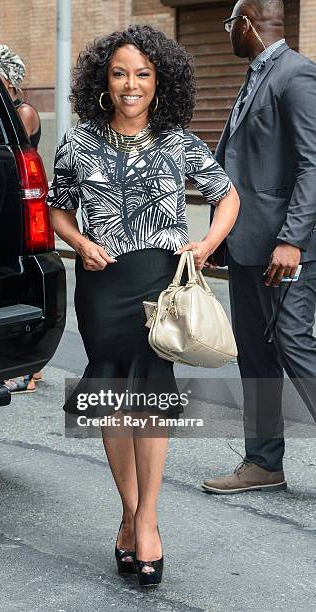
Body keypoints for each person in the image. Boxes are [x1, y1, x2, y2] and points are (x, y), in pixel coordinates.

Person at [47, 25, 239, 586]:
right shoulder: (77, 141)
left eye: (143, 74)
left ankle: (148, 519)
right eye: (120, 73)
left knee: (150, 391)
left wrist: (203, 246)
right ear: (103, 82)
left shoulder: (179, 142)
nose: (131, 85)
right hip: (103, 284)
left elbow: (228, 197)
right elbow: (59, 209)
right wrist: (80, 243)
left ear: (160, 82)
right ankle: (128, 514)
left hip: (160, 281)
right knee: (110, 390)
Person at [202, 0, 316, 495]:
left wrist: (292, 238)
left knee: (294, 342)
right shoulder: (257, 75)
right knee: (255, 354)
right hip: (248, 248)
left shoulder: (297, 76)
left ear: (247, 24)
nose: (228, 33)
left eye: (231, 24)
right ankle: (263, 462)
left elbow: (313, 166)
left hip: (284, 249)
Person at [0, 44, 43, 393]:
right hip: (3, 203)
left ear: (9, 81)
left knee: (22, 285)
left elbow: (6, 152)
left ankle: (28, 369)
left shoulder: (22, 112)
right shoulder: (3, 110)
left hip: (20, 206)